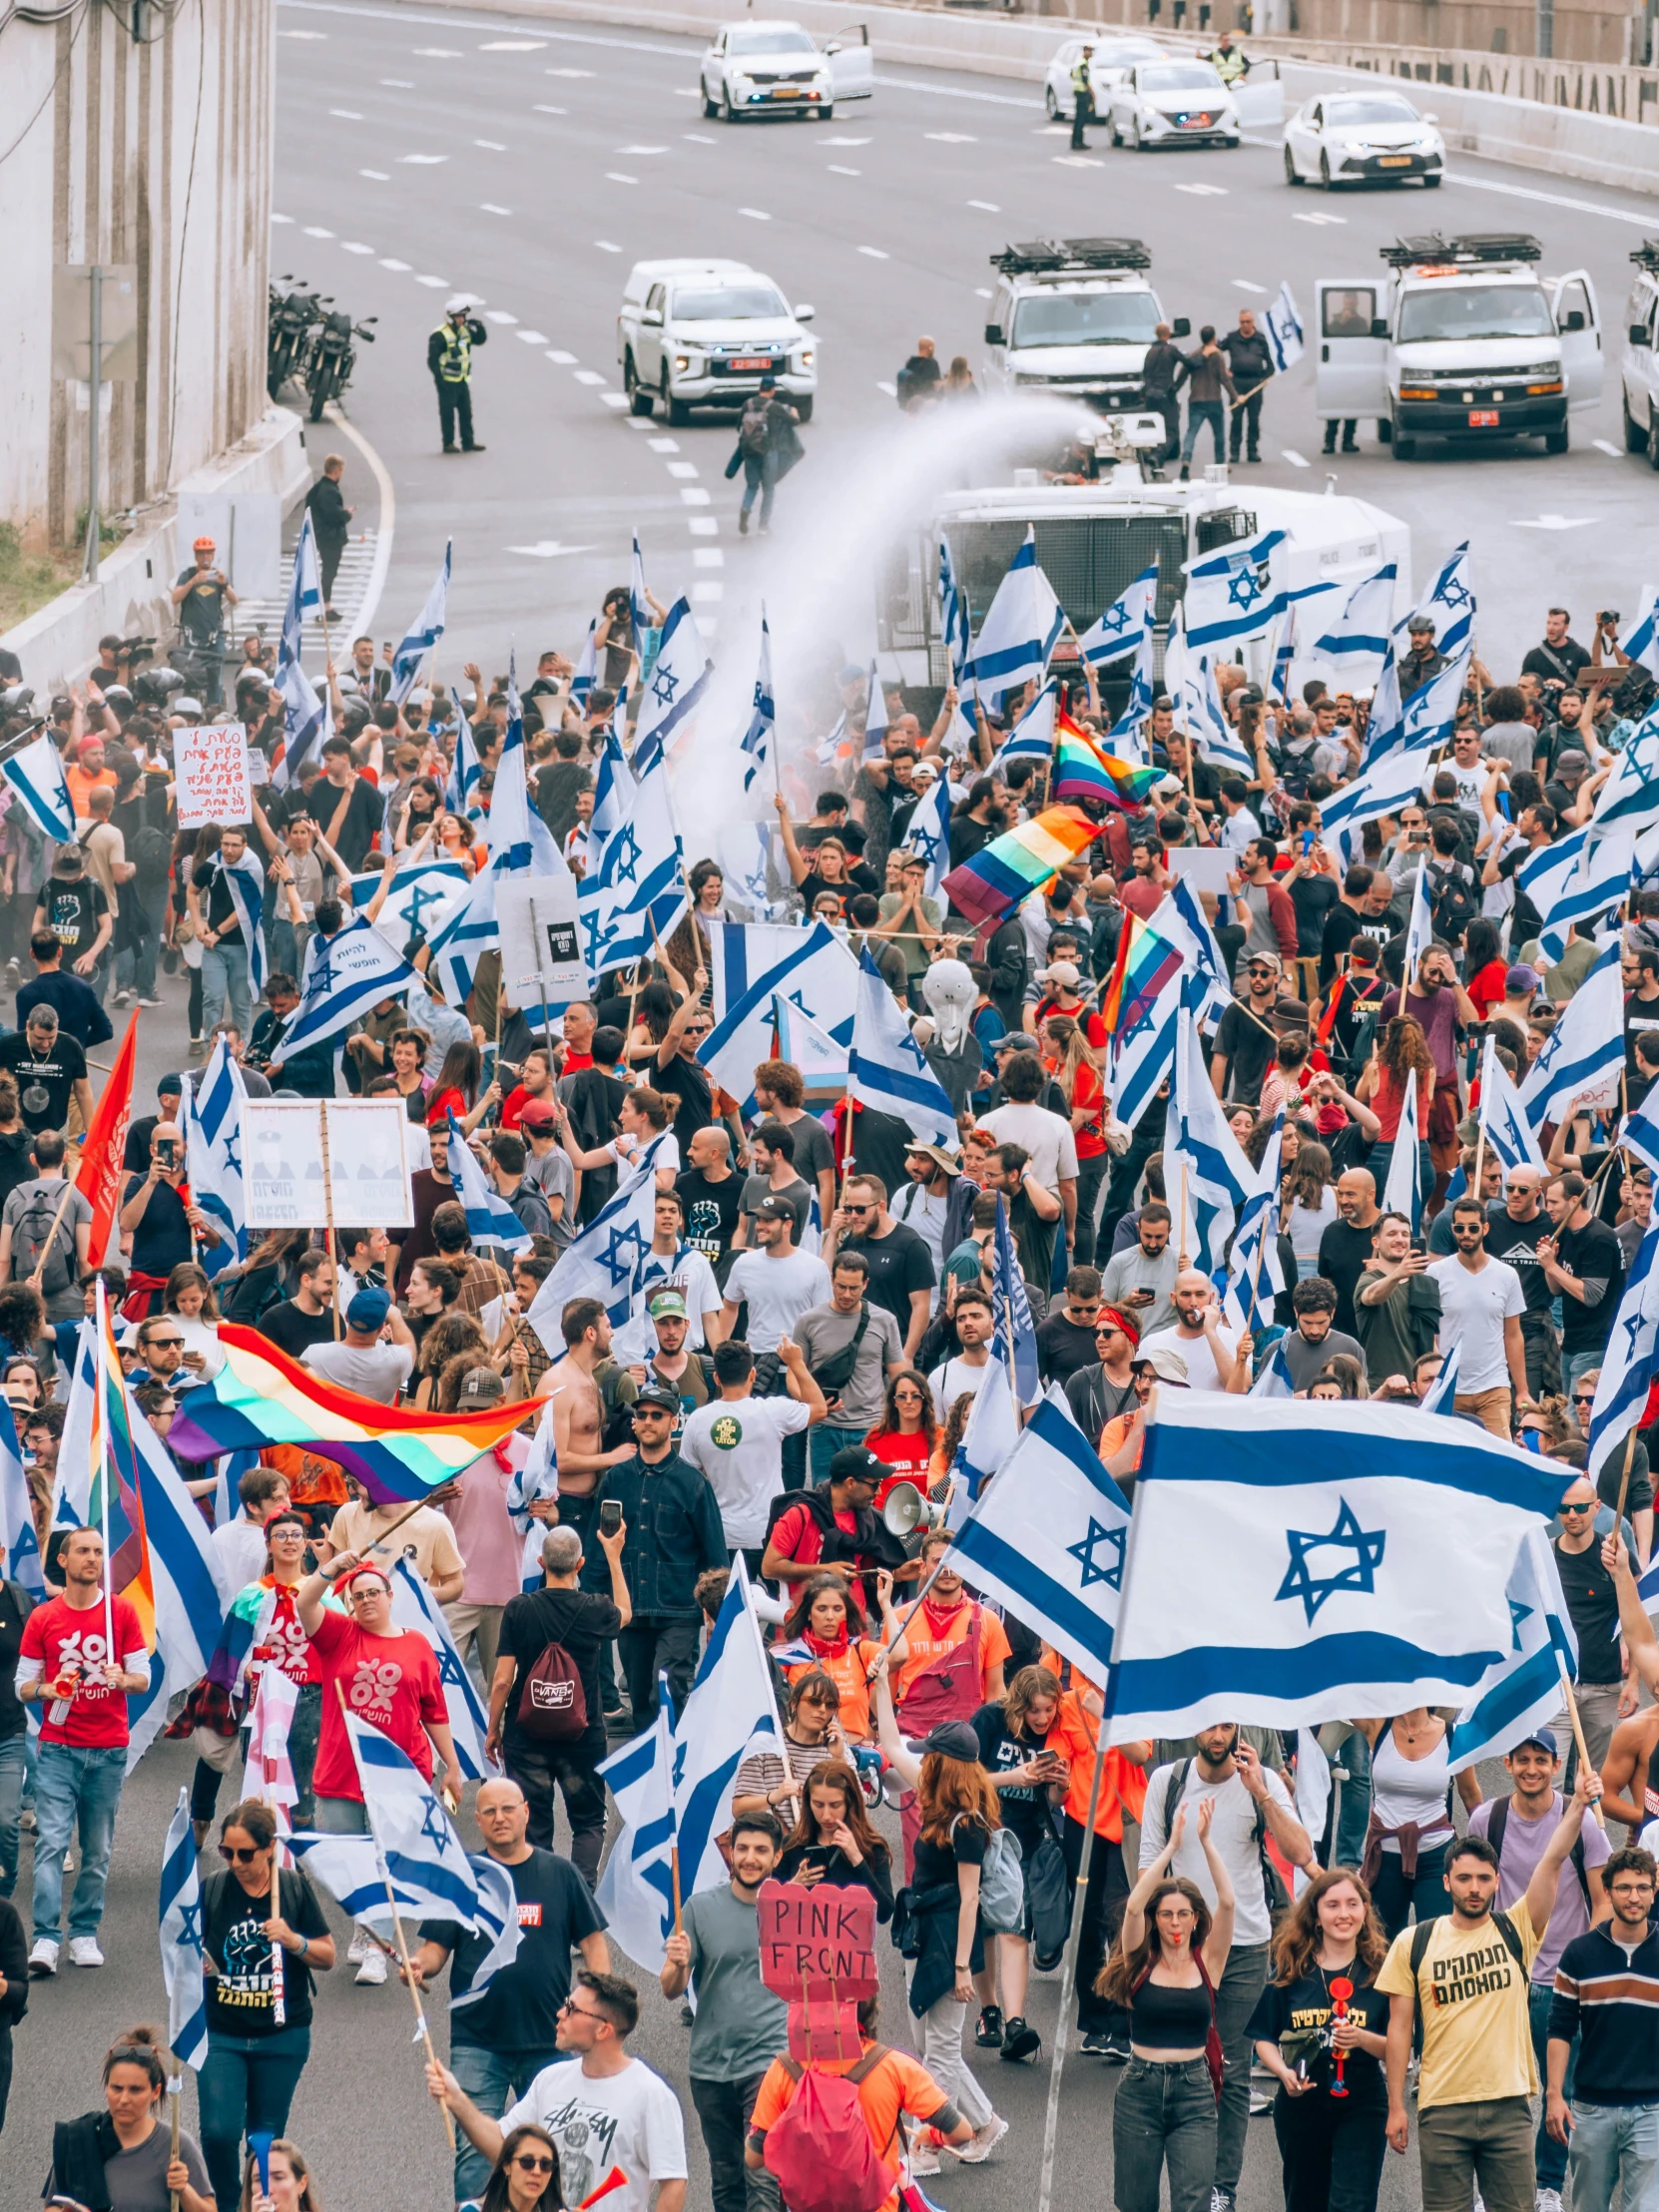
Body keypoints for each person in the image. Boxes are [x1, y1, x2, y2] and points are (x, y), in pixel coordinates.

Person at [1379, 1771, 1602, 2212]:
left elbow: (1552, 1862)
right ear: (1446, 1884)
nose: (1474, 1887)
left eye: (1483, 1878)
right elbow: (1400, 2029)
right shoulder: (1414, 1942)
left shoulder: (1516, 1927)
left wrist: (1576, 1805)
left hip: (1509, 2109)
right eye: (1463, 1879)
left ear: (1497, 1882)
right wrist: (1395, 2107)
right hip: (1442, 2109)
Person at [411, 1776, 611, 2208]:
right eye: (489, 1812)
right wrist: (416, 1966)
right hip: (477, 2043)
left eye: (507, 1809)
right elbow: (434, 1952)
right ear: (478, 1821)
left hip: (551, 2042)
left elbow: (593, 1943)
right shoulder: (463, 1877)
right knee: (474, 2158)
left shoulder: (560, 1873)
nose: (499, 1818)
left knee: (553, 2156)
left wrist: (599, 2007)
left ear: (527, 1812)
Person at [1138, 1724, 1313, 2212]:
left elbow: (1300, 1853)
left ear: (1238, 1727)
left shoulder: (1260, 1781)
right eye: (1209, 1724)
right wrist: (1151, 1941)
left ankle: (1222, 2189)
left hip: (1245, 1946)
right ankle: (1184, 2181)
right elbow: (1148, 1865)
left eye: (1226, 1725)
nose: (1217, 1735)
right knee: (1178, 2066)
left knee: (1231, 2073)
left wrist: (1262, 1791)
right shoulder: (1167, 1783)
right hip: (1179, 1946)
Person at [293, 1554, 455, 1984]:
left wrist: (453, 1766)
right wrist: (332, 1570)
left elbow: (434, 1711)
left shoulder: (418, 1644)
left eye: (373, 1594)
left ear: (390, 1597)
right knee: (352, 1865)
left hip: (400, 1775)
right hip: (342, 1771)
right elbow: (304, 1605)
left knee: (388, 1862)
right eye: (357, 1596)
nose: (365, 1601)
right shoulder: (339, 1636)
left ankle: (377, 1950)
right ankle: (362, 1930)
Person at [1466, 1729, 1609, 2212]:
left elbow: (1603, 1897)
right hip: (1501, 1975)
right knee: (1497, 2089)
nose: (1531, 1768)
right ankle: (1493, 2189)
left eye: (1541, 1760)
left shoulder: (1583, 1820)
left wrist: (1591, 1963)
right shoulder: (1488, 1819)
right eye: (1522, 1759)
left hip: (1562, 1981)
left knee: (1558, 2090)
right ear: (1507, 1764)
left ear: (1555, 1764)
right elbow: (1473, 1889)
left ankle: (1547, 2187)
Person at [871, 1682, 1009, 2167]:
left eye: (931, 1754)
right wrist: (883, 1680)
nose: (922, 1759)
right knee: (930, 2043)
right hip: (923, 1929)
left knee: (943, 2049)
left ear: (945, 1765)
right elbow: (890, 1743)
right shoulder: (933, 1793)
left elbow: (970, 1900)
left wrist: (961, 1969)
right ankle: (985, 2122)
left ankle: (927, 2146)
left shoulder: (968, 1824)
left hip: (951, 1937)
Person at [428, 1968, 690, 2212]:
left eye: (572, 2009)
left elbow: (673, 2183)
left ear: (603, 2030)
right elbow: (502, 2146)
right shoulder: (551, 2079)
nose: (560, 2014)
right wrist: (457, 2101)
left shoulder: (651, 2095)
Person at [17, 1525, 149, 1974]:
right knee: (52, 1843)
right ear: (63, 1560)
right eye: (83, 1552)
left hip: (108, 1749)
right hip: (57, 1748)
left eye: (98, 1551)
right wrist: (47, 1689)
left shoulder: (122, 1613)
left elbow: (142, 1676)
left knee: (96, 1850)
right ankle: (46, 1938)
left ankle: (85, 1932)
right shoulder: (43, 1618)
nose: (92, 1559)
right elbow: (22, 1685)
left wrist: (123, 1679)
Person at [198, 1799, 335, 2212]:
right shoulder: (215, 1889)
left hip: (282, 2035)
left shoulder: (291, 1888)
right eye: (226, 1852)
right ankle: (227, 2205)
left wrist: (295, 1941)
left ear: (269, 1847)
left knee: (263, 2140)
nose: (235, 1862)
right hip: (224, 2032)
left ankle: (260, 2206)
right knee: (219, 2134)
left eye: (245, 1853)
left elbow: (327, 1954)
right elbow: (183, 1948)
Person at [1101, 1797, 1236, 2212]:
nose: (1175, 1923)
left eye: (1183, 1914)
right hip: (1139, 2089)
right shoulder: (1139, 1959)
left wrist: (1206, 1843)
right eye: (1166, 1915)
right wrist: (1172, 1848)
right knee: (1136, 2203)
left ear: (1196, 1918)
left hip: (1194, 2091)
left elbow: (1228, 1902)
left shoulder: (1207, 1962)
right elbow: (1135, 1904)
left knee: (1193, 2203)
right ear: (1156, 1920)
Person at [661, 1810, 789, 2212]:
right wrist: (679, 1963)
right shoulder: (698, 1908)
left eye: (761, 1850)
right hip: (709, 2065)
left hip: (770, 2063)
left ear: (777, 1857)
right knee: (727, 2176)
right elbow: (670, 1989)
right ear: (730, 1853)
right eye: (743, 1848)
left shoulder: (793, 1911)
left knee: (764, 2174)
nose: (750, 1858)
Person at [488, 1522, 630, 1884]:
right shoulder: (595, 1608)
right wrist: (613, 1557)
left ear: (541, 1561)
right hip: (582, 1737)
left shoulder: (519, 1608)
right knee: (587, 1822)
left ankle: (540, 1906)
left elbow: (503, 1679)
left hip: (526, 1736)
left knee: (532, 1825)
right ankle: (579, 1899)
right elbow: (624, 1614)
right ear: (580, 1565)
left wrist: (494, 1728)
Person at [1249, 1868, 1390, 2212]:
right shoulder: (1291, 1968)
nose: (1344, 1914)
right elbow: (1263, 2036)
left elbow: (1400, 2047)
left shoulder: (1383, 1971)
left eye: (1352, 1904)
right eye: (1333, 1905)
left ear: (1364, 1911)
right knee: (1304, 2202)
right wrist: (1282, 2072)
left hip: (1362, 2104)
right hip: (1301, 2107)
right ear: (1316, 1915)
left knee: (1352, 2204)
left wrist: (1362, 2039)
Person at [588, 1382, 728, 1726]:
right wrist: (591, 1602)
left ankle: (676, 1768)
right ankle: (651, 1772)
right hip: (630, 1610)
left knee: (668, 1689)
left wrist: (718, 1614)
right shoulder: (615, 1480)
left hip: (679, 1610)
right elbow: (596, 1551)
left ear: (673, 1422)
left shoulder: (693, 1483)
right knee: (640, 1700)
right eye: (641, 1415)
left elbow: (714, 1553)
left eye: (656, 1415)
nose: (647, 1421)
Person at [746, 1991, 973, 2202]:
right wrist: (932, 2136)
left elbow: (754, 2158)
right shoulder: (894, 2066)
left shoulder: (785, 2069)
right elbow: (961, 2132)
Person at [1546, 1844, 1659, 2212]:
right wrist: (1553, 2095)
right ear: (1607, 1892)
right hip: (1592, 2109)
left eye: (1643, 1887)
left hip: (1652, 2109)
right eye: (1624, 1888)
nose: (1634, 1897)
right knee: (1588, 2206)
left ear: (1654, 1891)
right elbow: (1560, 2029)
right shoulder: (1579, 1954)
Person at [679, 1337, 826, 1568]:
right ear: (753, 1375)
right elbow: (819, 1407)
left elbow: (687, 1480)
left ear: (716, 1378)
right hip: (768, 1534)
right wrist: (796, 1363)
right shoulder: (773, 1411)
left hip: (718, 1536)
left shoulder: (697, 1420)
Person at [47, 2024, 214, 2212]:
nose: (124, 2099)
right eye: (116, 2088)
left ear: (155, 2091)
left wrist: (184, 2190)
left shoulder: (176, 2144)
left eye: (135, 2090)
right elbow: (52, 2205)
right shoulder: (79, 2139)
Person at [794, 1250, 906, 1481]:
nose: (846, 1294)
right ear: (831, 1281)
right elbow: (795, 1374)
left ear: (865, 1284)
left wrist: (897, 1421)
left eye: (853, 1288)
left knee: (871, 1496)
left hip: (870, 1426)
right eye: (840, 1286)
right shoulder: (809, 1320)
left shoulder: (885, 1321)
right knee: (824, 1496)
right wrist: (813, 1404)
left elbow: (899, 1377)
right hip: (825, 1426)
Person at [1427, 1198, 1531, 1438]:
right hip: (1449, 1387)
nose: (1466, 1234)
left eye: (1473, 1227)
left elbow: (1513, 1335)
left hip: (1494, 1386)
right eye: (1460, 1228)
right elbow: (1430, 1332)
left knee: (1502, 1457)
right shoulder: (1435, 1273)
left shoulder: (1507, 1275)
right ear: (1452, 1230)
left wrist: (1522, 1390)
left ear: (1485, 1229)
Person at [777, 1759, 895, 1921]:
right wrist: (794, 1887)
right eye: (818, 1804)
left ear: (850, 1803)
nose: (826, 1815)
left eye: (835, 1805)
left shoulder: (872, 1847)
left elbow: (884, 1913)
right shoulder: (793, 1845)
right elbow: (771, 1911)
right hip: (802, 1943)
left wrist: (858, 1860)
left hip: (851, 1943)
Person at [430, 297, 489, 453]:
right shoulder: (439, 335)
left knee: (466, 413)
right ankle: (448, 443)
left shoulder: (465, 331)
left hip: (462, 380)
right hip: (447, 381)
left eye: (463, 316)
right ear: (450, 316)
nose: (462, 319)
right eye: (458, 316)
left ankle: (468, 442)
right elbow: (432, 360)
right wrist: (439, 380)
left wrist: (479, 327)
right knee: (447, 414)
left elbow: (480, 340)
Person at [1219, 307, 1273, 466]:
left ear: (1253, 322)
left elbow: (1271, 362)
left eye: (1248, 322)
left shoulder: (1261, 339)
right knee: (1236, 418)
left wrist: (1264, 378)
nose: (1245, 325)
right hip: (1237, 383)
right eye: (1242, 322)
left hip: (1255, 383)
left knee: (1254, 419)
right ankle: (1234, 451)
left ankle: (1252, 450)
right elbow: (1215, 350)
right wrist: (1223, 369)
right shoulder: (1232, 338)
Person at [303, 454, 352, 611]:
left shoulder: (316, 489)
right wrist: (347, 514)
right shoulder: (330, 491)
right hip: (330, 538)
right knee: (329, 572)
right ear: (337, 471)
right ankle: (325, 607)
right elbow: (334, 516)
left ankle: (324, 605)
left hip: (320, 535)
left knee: (327, 571)